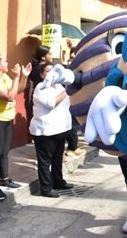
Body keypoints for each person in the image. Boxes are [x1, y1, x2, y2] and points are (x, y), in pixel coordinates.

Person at [0, 53, 31, 200]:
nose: (8, 63)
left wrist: (24, 76)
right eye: (5, 62)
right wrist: (16, 77)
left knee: (4, 151)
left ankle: (5, 179)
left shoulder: (5, 77)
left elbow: (18, 90)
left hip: (7, 118)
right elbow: (9, 96)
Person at [29, 63, 75, 198]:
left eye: (53, 70)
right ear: (42, 75)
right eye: (48, 71)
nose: (51, 73)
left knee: (57, 159)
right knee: (45, 161)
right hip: (45, 131)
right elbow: (51, 103)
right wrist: (67, 91)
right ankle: (46, 188)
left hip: (60, 129)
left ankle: (58, 181)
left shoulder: (59, 85)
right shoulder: (40, 88)